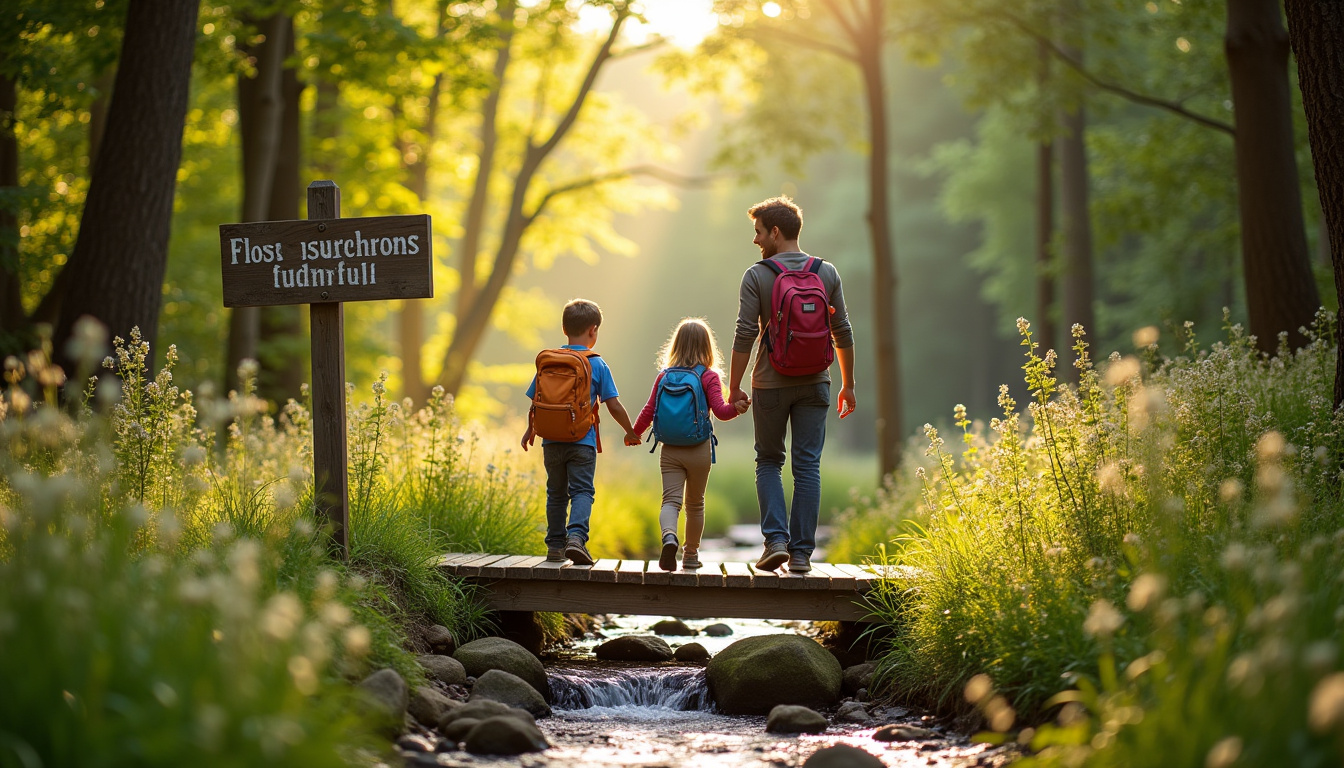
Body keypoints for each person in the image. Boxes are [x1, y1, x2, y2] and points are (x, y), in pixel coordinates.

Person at [728, 196, 857, 574]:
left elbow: (744, 334)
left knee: (768, 460)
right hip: (817, 382)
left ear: (776, 232)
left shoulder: (757, 275)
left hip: (770, 382)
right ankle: (801, 556)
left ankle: (775, 542)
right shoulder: (826, 272)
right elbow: (843, 331)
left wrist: (733, 387)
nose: (755, 241)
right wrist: (848, 385)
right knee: (807, 466)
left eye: (758, 232)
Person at [521, 298, 638, 565]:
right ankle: (576, 538)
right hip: (582, 441)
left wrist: (531, 430)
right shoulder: (596, 363)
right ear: (593, 330)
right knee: (582, 491)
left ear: (564, 329)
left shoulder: (549, 362)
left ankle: (554, 546)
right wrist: (630, 430)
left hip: (550, 440)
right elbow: (614, 405)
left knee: (556, 492)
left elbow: (535, 399)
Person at [629, 318, 748, 571]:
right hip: (699, 449)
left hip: (670, 449)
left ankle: (669, 536)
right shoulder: (709, 377)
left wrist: (634, 433)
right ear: (708, 346)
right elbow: (722, 411)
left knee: (670, 501)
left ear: (676, 345)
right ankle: (691, 555)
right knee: (695, 503)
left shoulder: (664, 376)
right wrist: (737, 408)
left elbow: (649, 409)